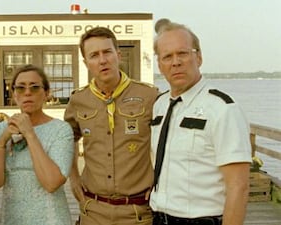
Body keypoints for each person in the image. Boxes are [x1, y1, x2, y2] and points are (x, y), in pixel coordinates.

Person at [150, 18, 251, 225]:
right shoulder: (160, 105)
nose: (175, 62)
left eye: (183, 53)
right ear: (160, 65)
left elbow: (238, 186)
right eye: (167, 56)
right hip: (159, 218)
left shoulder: (222, 109)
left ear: (199, 58)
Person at [64, 27, 158, 225]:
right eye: (94, 55)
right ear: (86, 63)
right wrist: (73, 177)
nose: (102, 60)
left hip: (137, 211)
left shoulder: (149, 96)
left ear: (118, 54)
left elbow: (168, 142)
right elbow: (68, 138)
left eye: (107, 52)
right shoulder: (78, 100)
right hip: (93, 211)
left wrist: (160, 180)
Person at [0, 64, 74, 225]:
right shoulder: (1, 130)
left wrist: (30, 134)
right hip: (12, 219)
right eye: (20, 88)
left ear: (47, 93)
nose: (27, 93)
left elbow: (52, 183)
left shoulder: (60, 130)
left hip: (51, 219)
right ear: (13, 94)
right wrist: (1, 142)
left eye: (34, 88)